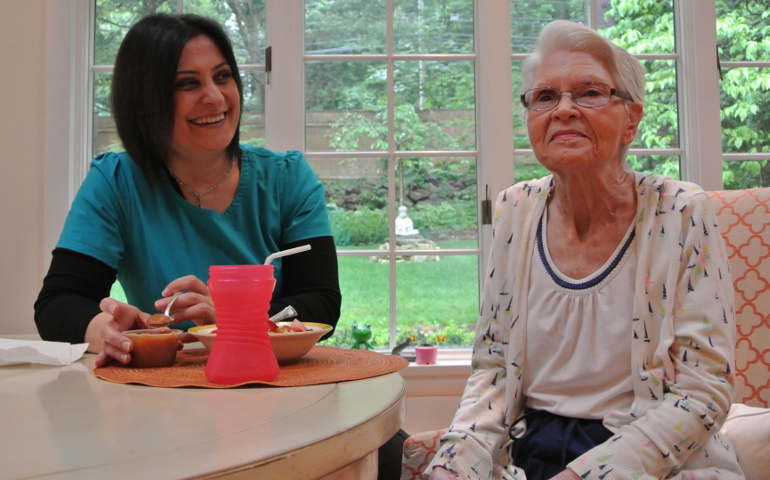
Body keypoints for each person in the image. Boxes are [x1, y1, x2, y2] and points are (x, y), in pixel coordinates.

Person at [423, 20, 743, 480]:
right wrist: (454, 464)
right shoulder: (516, 209)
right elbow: (493, 371)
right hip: (527, 450)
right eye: (546, 97)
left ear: (631, 118)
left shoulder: (681, 211)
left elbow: (705, 390)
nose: (564, 110)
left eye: (590, 93)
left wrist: (587, 475)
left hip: (648, 455)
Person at [34, 13, 340, 365]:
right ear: (146, 100)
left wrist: (234, 321)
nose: (215, 97)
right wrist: (108, 331)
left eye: (223, 77)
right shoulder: (115, 181)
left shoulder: (288, 177)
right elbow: (58, 304)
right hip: (163, 396)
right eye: (187, 84)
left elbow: (321, 302)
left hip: (281, 383)